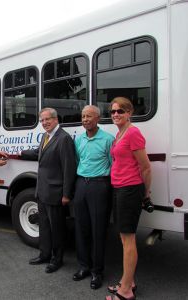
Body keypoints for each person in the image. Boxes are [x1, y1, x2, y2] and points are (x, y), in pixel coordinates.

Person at [106, 97, 151, 300]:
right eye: (113, 111)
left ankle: (125, 292)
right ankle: (128, 281)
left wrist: (146, 194)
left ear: (129, 112)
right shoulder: (120, 132)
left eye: (120, 111)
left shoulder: (133, 133)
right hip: (120, 188)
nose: (116, 114)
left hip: (130, 189)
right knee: (123, 239)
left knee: (128, 239)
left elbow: (145, 167)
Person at [20, 107, 76, 273]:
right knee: (44, 226)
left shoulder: (64, 138)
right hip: (43, 190)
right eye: (42, 120)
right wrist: (21, 152)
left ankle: (57, 259)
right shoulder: (46, 136)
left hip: (56, 193)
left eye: (47, 119)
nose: (44, 123)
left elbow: (69, 168)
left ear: (55, 119)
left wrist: (66, 194)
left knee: (56, 229)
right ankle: (44, 254)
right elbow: (39, 153)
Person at [72, 105, 114, 289]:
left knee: (98, 230)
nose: (85, 119)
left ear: (98, 118)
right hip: (81, 184)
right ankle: (84, 267)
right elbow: (78, 161)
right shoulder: (79, 139)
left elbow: (114, 165)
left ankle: (97, 271)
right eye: (83, 116)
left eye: (89, 116)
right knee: (81, 228)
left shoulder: (108, 140)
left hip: (99, 185)